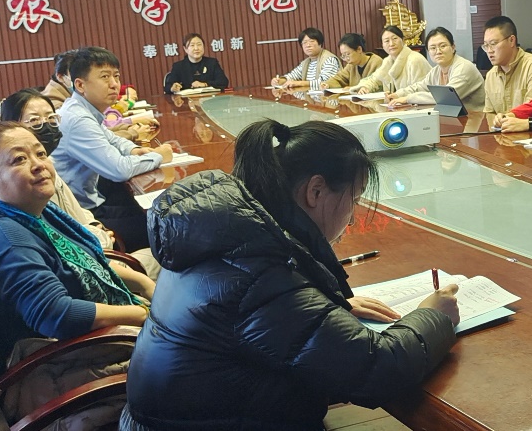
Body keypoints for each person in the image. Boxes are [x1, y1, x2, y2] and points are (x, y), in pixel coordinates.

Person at [120, 120, 459, 430]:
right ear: (316, 191)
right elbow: (379, 369)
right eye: (353, 199)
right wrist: (435, 316)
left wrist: (323, 306)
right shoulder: (261, 273)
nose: (353, 217)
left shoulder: (227, 233)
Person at [0, 121, 155, 427]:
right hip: (60, 363)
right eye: (19, 159)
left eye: (40, 153)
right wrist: (142, 314)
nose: (38, 165)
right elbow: (56, 315)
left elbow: (78, 262)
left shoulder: (26, 213)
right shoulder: (4, 237)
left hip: (79, 348)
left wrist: (142, 283)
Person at [0, 88, 162, 279]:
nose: (46, 126)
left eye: (51, 118)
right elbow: (65, 263)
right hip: (94, 265)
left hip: (93, 251)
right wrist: (99, 237)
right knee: (167, 250)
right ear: (9, 127)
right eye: (35, 121)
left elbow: (75, 217)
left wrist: (95, 229)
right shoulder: (25, 194)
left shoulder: (44, 167)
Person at [52, 47, 173, 252]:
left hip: (92, 201)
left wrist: (134, 150)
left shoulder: (83, 109)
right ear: (80, 85)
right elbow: (119, 170)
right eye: (104, 77)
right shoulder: (78, 119)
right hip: (83, 217)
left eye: (116, 76)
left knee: (154, 213)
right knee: (166, 228)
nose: (114, 84)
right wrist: (157, 156)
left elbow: (113, 139)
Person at [388, 27, 485, 111]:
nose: (438, 51)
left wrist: (407, 98)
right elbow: (420, 87)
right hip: (452, 119)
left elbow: (446, 97)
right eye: (433, 48)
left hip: (477, 120)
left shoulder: (464, 68)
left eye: (443, 46)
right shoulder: (436, 70)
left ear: (453, 47)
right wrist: (397, 94)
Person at [481, 15, 532, 116]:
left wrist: (507, 118)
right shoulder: (491, 75)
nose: (489, 51)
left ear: (511, 40)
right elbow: (489, 114)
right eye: (486, 45)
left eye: (493, 43)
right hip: (501, 126)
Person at [354, 25, 431, 95]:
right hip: (396, 104)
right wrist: (365, 87)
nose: (391, 44)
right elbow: (374, 79)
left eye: (395, 39)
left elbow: (422, 89)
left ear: (403, 40)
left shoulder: (415, 60)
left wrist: (399, 95)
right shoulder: (387, 61)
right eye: (387, 41)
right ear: (382, 45)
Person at [272, 27, 341, 91]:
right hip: (312, 98)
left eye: (311, 41)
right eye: (304, 42)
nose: (308, 45)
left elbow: (326, 82)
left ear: (320, 43)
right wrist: (280, 81)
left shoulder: (329, 59)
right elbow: (293, 75)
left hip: (329, 98)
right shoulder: (306, 62)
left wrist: (299, 83)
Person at [165, 32, 229, 94]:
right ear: (185, 49)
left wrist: (205, 84)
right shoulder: (178, 66)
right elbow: (167, 87)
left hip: (209, 99)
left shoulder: (212, 63)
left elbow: (223, 82)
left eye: (199, 44)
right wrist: (172, 88)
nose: (196, 48)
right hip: (186, 100)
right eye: (192, 45)